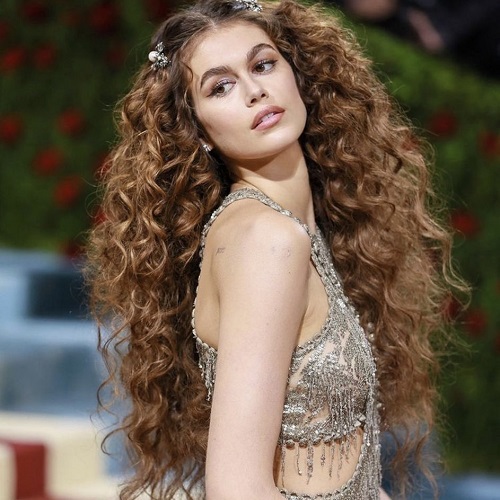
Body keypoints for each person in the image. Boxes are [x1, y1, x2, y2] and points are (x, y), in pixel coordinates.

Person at [85, 0, 466, 498]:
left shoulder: (293, 227)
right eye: (220, 87)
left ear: (297, 74)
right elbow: (238, 488)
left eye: (263, 64)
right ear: (196, 130)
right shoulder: (266, 240)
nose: (254, 90)